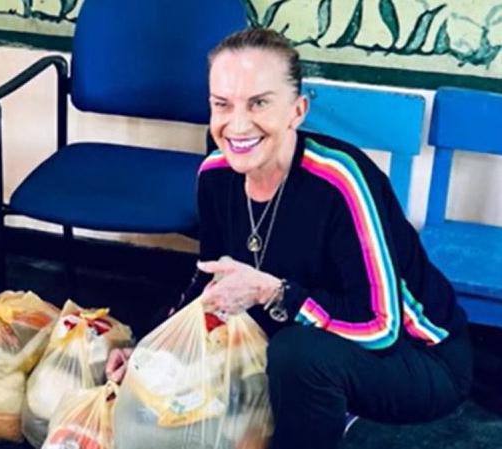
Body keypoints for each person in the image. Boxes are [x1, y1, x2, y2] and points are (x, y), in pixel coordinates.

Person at [106, 27, 472, 449]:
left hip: (421, 357)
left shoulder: (340, 181)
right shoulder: (214, 174)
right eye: (222, 104)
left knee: (295, 355)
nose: (237, 125)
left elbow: (382, 327)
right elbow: (207, 284)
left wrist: (274, 292)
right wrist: (150, 351)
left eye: (259, 102)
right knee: (249, 354)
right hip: (326, 332)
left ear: (297, 111)